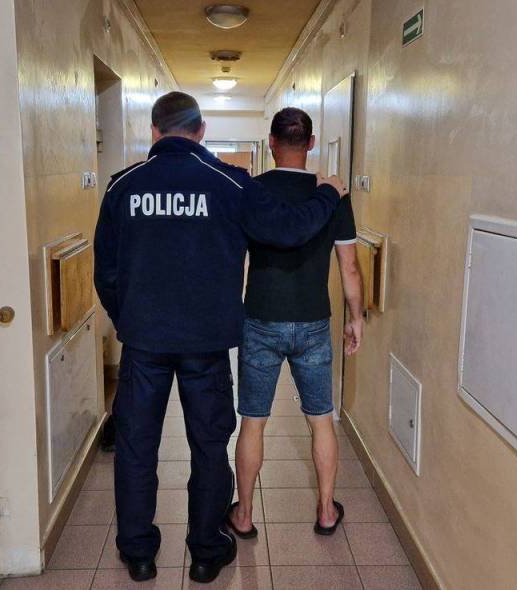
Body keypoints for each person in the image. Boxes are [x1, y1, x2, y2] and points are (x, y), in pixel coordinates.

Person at [94, 92, 348, 584]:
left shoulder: (124, 185)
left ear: (154, 130)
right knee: (208, 446)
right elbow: (289, 230)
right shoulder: (229, 182)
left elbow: (105, 270)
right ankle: (207, 551)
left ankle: (139, 554)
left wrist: (129, 320)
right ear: (201, 131)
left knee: (136, 446)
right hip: (206, 343)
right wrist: (328, 194)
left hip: (144, 343)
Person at [228, 107, 364, 542]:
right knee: (321, 419)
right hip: (313, 322)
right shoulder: (333, 194)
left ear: (271, 142)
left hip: (260, 319)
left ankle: (244, 515)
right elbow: (349, 267)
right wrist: (356, 317)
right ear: (311, 143)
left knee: (253, 421)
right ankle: (325, 510)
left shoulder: (253, 192)